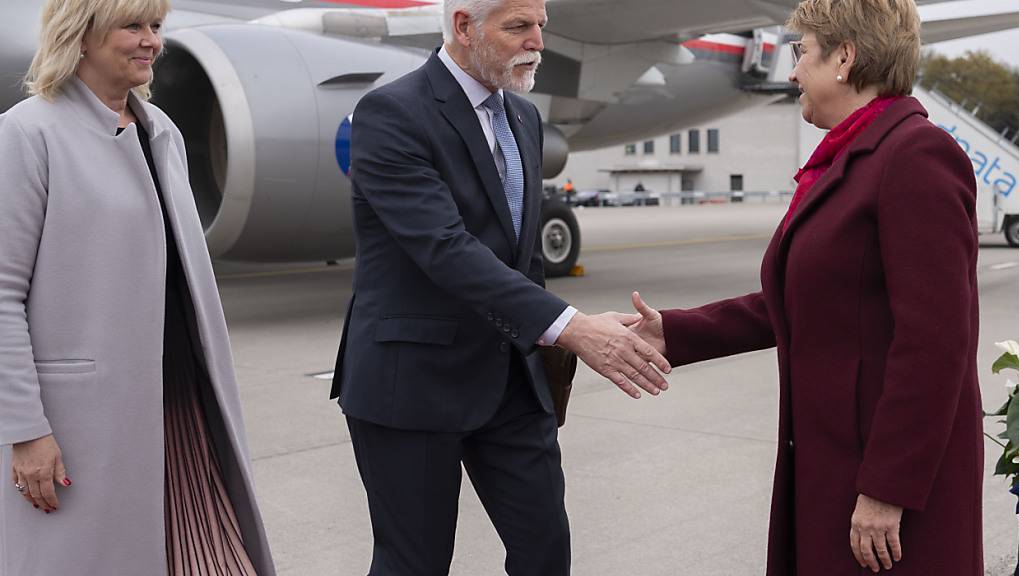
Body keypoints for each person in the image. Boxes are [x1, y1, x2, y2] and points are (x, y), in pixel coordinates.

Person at [627, 0, 981, 574]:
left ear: (843, 58)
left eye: (801, 53)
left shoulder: (914, 155)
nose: (790, 71)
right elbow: (803, 299)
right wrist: (675, 331)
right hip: (832, 466)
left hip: (884, 485)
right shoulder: (855, 156)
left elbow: (936, 343)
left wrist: (888, 487)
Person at [329, 0, 671, 573]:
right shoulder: (392, 112)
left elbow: (521, 257)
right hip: (412, 384)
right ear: (464, 26)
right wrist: (572, 326)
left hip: (512, 383)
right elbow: (445, 248)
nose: (536, 41)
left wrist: (559, 334)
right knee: (414, 564)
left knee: (545, 554)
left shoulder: (523, 117)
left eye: (541, 26)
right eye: (518, 27)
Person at [0, 1, 276, 574]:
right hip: (87, 421)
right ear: (81, 36)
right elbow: (2, 294)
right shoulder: (28, 132)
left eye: (156, 27)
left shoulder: (162, 131)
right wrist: (25, 430)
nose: (151, 41)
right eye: (133, 26)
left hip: (182, 404)